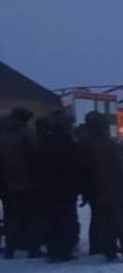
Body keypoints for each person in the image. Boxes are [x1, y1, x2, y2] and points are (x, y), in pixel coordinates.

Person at [79, 111, 123, 261]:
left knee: (102, 220)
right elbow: (120, 171)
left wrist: (85, 190)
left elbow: (82, 170)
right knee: (122, 222)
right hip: (113, 189)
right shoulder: (110, 146)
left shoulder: (83, 145)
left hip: (95, 190)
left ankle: (107, 249)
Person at [36, 111, 81, 261]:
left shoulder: (43, 143)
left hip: (47, 188)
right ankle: (64, 249)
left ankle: (53, 248)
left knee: (51, 219)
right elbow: (76, 166)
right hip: (66, 188)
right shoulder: (69, 144)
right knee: (66, 219)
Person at [0, 107, 41, 258]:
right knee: (29, 216)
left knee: (11, 215)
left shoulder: (3, 133)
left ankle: (10, 248)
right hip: (26, 180)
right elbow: (35, 155)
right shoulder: (26, 133)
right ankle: (32, 248)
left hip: (7, 182)